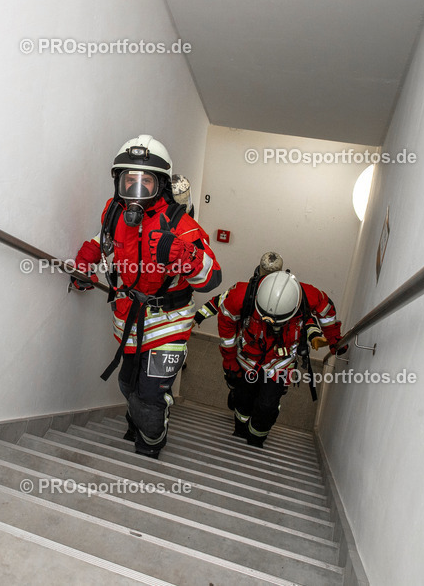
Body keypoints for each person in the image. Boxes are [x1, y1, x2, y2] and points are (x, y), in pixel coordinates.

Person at [70, 135, 221, 458]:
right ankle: (136, 418)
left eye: (146, 183)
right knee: (127, 384)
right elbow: (106, 238)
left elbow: (212, 277)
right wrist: (86, 261)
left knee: (149, 395)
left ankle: (151, 441)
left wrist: (181, 254)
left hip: (169, 321)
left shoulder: (182, 226)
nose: (136, 191)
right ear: (118, 182)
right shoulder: (114, 211)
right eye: (129, 181)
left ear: (161, 185)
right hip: (129, 316)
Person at [208, 268, 344, 447]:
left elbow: (327, 312)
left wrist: (334, 340)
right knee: (243, 399)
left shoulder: (309, 296)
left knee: (267, 406)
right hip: (247, 359)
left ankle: (257, 437)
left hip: (281, 363)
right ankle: (240, 429)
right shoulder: (241, 294)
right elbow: (226, 329)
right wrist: (229, 360)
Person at [194, 252, 285, 409]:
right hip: (247, 352)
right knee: (237, 381)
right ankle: (236, 393)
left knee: (266, 394)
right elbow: (221, 301)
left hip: (272, 355)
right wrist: (198, 317)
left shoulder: (286, 296)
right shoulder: (245, 292)